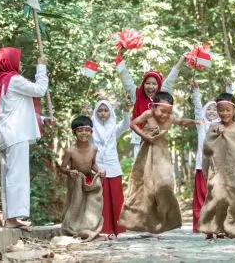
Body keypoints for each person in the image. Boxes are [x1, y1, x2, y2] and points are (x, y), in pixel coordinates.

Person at [118, 91, 200, 234]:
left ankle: (166, 220)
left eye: (168, 112)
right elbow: (133, 124)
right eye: (162, 111)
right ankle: (142, 222)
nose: (164, 115)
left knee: (165, 184)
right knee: (145, 187)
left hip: (162, 154)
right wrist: (145, 136)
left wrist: (193, 122)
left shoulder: (169, 118)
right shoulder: (148, 114)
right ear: (154, 107)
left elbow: (181, 122)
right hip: (146, 153)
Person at [0, 47, 49, 232]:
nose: (20, 64)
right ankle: (13, 218)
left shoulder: (3, 81)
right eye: (18, 60)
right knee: (18, 175)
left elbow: (17, 109)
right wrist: (41, 68)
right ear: (9, 62)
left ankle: (11, 217)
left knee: (10, 175)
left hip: (8, 133)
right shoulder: (13, 79)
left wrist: (43, 119)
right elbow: (39, 90)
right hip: (16, 134)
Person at [198, 93, 235, 239]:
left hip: (232, 169)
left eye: (228, 110)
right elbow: (207, 146)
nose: (224, 113)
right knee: (216, 196)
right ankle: (210, 228)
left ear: (234, 111)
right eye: (221, 110)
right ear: (217, 111)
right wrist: (216, 134)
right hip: (217, 168)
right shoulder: (214, 126)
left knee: (231, 198)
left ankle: (227, 228)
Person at [115, 49, 186, 159]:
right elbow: (126, 79)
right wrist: (119, 59)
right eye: (148, 83)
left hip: (157, 140)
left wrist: (181, 61)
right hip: (139, 139)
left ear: (159, 85)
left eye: (154, 84)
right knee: (139, 170)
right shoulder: (137, 95)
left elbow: (171, 79)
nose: (151, 86)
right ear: (143, 84)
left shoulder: (162, 95)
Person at [190, 79, 232, 233]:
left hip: (218, 167)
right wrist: (196, 91)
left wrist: (228, 88)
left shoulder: (222, 125)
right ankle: (200, 225)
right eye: (209, 109)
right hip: (202, 166)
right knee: (202, 196)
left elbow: (229, 107)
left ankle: (215, 224)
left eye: (215, 109)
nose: (212, 112)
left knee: (216, 196)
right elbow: (197, 107)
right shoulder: (201, 124)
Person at [90, 99, 130, 240]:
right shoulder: (92, 128)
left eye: (106, 110)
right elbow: (82, 130)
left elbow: (126, 125)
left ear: (110, 112)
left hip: (113, 166)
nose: (103, 113)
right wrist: (83, 113)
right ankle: (104, 230)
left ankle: (118, 230)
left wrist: (126, 111)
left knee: (116, 200)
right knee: (102, 201)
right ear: (95, 112)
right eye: (100, 110)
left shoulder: (114, 127)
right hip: (97, 167)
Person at [60, 116, 105, 241]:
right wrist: (69, 172)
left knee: (91, 205)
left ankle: (88, 229)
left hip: (89, 181)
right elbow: (62, 167)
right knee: (75, 205)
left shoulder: (94, 149)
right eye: (80, 130)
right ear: (74, 132)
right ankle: (72, 229)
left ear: (91, 132)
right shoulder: (70, 151)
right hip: (75, 181)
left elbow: (93, 164)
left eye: (87, 130)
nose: (84, 133)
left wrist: (99, 170)